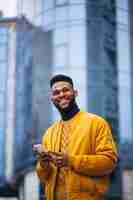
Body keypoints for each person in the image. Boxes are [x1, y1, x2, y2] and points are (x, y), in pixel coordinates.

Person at [35, 74, 118, 200]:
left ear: (75, 93)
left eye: (65, 90)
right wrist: (43, 163)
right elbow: (43, 177)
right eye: (56, 92)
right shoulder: (49, 133)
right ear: (52, 99)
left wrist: (71, 161)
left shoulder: (96, 123)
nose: (61, 95)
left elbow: (109, 162)